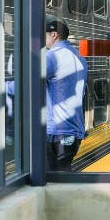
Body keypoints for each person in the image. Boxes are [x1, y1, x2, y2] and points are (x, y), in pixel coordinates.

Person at [43, 19, 88, 171]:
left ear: (54, 35)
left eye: (45, 35)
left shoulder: (52, 56)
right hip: (74, 130)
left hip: (57, 131)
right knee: (63, 173)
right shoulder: (80, 56)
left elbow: (29, 82)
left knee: (50, 177)